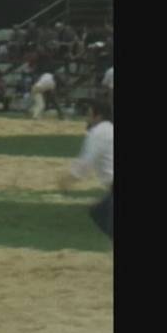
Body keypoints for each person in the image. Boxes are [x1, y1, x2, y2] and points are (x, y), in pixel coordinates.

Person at [58, 99, 113, 240]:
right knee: (99, 212)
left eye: (89, 114)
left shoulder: (98, 132)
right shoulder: (109, 129)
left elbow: (86, 162)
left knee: (102, 215)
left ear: (98, 116)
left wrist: (69, 179)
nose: (86, 118)